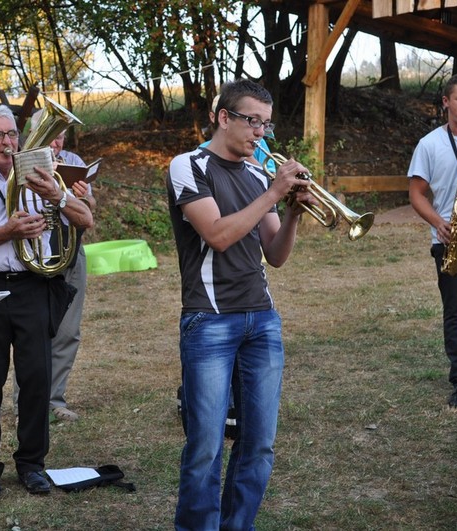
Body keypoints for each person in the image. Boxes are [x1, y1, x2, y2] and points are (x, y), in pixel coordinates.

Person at [167, 78, 313, 530]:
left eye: (267, 125)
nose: (261, 135)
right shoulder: (187, 166)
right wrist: (272, 193)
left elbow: (276, 254)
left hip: (262, 318)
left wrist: (291, 212)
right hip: (209, 321)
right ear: (223, 117)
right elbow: (218, 235)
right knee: (206, 446)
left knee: (259, 443)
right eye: (253, 122)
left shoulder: (255, 173)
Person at [0, 105, 93, 500]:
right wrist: (7, 231)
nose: (7, 142)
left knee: (37, 378)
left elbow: (85, 221)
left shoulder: (44, 176)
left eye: (11, 135)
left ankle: (32, 464)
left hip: (33, 285)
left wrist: (57, 195)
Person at [13, 112, 97, 423]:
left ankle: (54, 399)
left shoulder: (73, 160)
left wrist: (83, 198)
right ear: (33, 134)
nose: (56, 141)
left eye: (60, 135)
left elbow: (91, 211)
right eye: (50, 134)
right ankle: (24, 402)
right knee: (32, 333)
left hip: (71, 249)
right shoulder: (20, 162)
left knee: (68, 331)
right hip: (34, 254)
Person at [408, 73, 457, 408]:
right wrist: (438, 222)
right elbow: (416, 194)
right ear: (446, 102)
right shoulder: (429, 144)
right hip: (450, 235)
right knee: (455, 311)